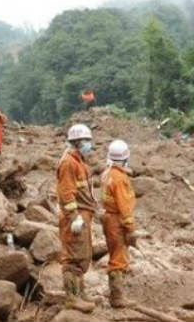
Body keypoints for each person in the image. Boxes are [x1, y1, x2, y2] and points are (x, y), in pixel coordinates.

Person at [56, 124, 97, 313]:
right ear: (77, 142)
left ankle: (80, 292)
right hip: (75, 217)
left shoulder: (79, 161)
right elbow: (66, 193)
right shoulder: (69, 163)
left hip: (84, 215)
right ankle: (72, 298)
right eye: (86, 141)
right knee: (73, 258)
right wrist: (74, 217)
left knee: (82, 256)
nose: (89, 144)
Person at [100, 139, 138, 308]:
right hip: (117, 221)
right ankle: (117, 297)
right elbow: (124, 206)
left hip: (108, 218)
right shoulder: (120, 178)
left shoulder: (106, 173)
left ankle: (115, 295)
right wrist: (130, 229)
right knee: (118, 257)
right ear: (124, 158)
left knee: (113, 252)